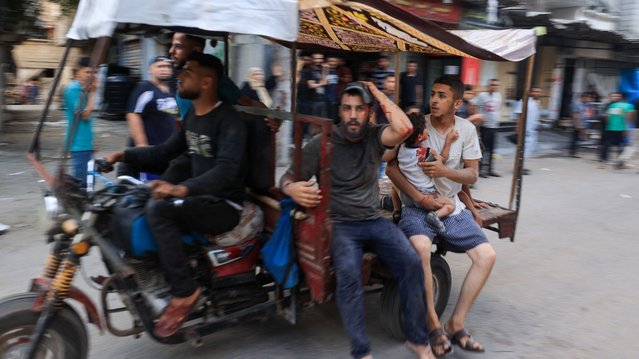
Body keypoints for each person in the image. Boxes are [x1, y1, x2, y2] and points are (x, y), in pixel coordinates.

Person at [279, 81, 434, 359]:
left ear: (368, 112)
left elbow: (405, 129)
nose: (352, 115)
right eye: (347, 108)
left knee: (412, 263)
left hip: (373, 220)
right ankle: (361, 352)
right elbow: (287, 177)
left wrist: (375, 91)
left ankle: (418, 338)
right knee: (349, 277)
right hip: (341, 225)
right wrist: (292, 188)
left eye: (359, 109)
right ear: (339, 111)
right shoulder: (322, 143)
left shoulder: (375, 137)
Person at [104, 53, 247, 338]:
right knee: (130, 201)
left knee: (160, 210)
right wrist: (125, 154)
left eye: (188, 73)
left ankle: (185, 291)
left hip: (223, 204)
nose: (178, 76)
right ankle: (149, 274)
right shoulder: (193, 115)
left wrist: (181, 188)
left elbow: (226, 172)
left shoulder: (230, 121)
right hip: (198, 198)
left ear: (206, 82)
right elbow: (165, 151)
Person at [387, 75, 495, 356]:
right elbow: (392, 170)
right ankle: (433, 325)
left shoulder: (467, 130)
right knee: (421, 248)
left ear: (457, 103)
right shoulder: (415, 127)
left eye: (442, 96)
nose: (434, 99)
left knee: (487, 257)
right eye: (433, 93)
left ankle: (455, 324)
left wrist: (446, 172)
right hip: (417, 208)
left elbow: (472, 173)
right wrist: (420, 198)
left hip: (450, 206)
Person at [384, 112, 459, 235]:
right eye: (425, 128)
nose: (427, 130)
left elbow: (385, 158)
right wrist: (449, 142)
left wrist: (399, 139)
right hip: (427, 196)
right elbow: (443, 160)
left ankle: (397, 211)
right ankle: (435, 216)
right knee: (451, 205)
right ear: (420, 137)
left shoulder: (400, 148)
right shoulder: (426, 152)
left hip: (407, 197)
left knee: (394, 186)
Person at [119, 55, 179, 179]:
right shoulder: (145, 88)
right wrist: (142, 147)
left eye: (168, 66)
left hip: (165, 154)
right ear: (150, 69)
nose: (164, 69)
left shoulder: (171, 92)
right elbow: (133, 114)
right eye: (160, 66)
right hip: (150, 155)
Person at [64, 57, 96, 187]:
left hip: (85, 143)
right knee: (84, 184)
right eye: (87, 72)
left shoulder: (84, 90)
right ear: (78, 72)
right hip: (78, 145)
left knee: (90, 182)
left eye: (93, 73)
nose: (91, 76)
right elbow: (85, 115)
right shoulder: (74, 89)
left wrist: (92, 141)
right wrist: (94, 92)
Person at [599, 92, 635, 169]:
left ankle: (603, 160)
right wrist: (626, 129)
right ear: (627, 99)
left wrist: (610, 123)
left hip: (610, 128)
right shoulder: (629, 106)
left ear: (621, 98)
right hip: (621, 128)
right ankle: (620, 162)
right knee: (621, 145)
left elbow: (607, 116)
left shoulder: (613, 105)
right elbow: (628, 119)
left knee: (607, 144)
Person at [475, 79, 502, 178]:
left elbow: (498, 109)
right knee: (483, 149)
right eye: (492, 85)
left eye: (495, 85)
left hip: (494, 126)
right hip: (485, 126)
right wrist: (478, 121)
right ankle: (480, 170)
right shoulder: (482, 96)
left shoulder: (498, 95)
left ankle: (490, 170)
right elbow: (475, 107)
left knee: (492, 149)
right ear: (488, 86)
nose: (494, 87)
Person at [514, 86, 542, 175]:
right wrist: (518, 128)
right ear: (530, 92)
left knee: (526, 150)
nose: (537, 93)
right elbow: (519, 115)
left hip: (532, 130)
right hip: (524, 130)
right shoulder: (524, 101)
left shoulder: (537, 103)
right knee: (522, 150)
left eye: (538, 92)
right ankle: (518, 169)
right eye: (535, 91)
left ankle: (521, 167)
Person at [301, 53, 329, 118]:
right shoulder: (309, 71)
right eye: (316, 58)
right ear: (312, 59)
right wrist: (322, 83)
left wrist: (325, 70)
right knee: (314, 121)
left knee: (323, 121)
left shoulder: (322, 70)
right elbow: (310, 85)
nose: (318, 60)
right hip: (313, 101)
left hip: (322, 99)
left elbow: (326, 82)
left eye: (320, 58)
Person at [569, 93, 595, 158]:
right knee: (575, 139)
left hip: (583, 124)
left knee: (579, 139)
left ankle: (575, 152)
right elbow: (575, 115)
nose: (589, 100)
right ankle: (573, 153)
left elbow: (588, 114)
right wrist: (577, 125)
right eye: (588, 98)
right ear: (583, 98)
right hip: (578, 124)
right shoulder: (577, 104)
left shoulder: (587, 105)